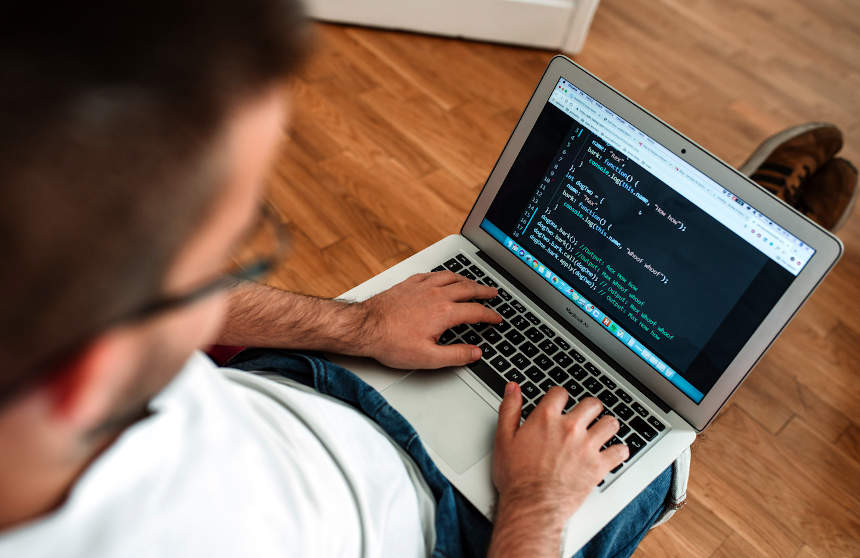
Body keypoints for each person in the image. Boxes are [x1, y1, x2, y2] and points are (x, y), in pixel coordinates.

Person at [0, 2, 674, 557]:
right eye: (225, 260)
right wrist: (535, 504)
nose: (223, 285)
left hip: (289, 387)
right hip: (461, 529)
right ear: (88, 374)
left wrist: (355, 326)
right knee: (658, 455)